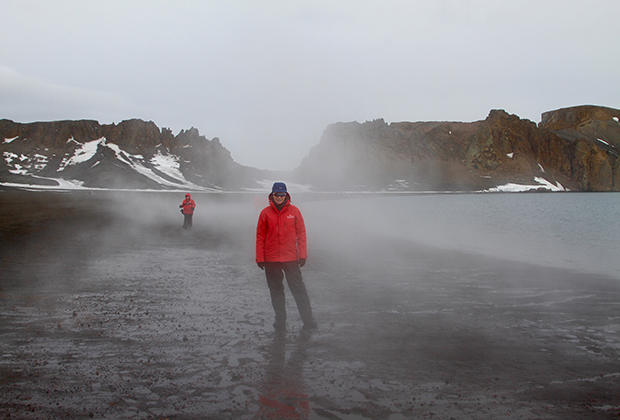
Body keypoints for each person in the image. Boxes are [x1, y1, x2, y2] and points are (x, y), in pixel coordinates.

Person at [256, 182, 317, 330]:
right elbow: (260, 236)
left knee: (299, 289)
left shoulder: (295, 211)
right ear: (272, 195)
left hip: (291, 259)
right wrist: (260, 258)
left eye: (282, 194)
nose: (279, 197)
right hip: (271, 260)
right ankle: (280, 321)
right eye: (276, 194)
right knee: (276, 290)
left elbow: (301, 234)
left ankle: (308, 320)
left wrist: (302, 255)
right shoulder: (265, 213)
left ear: (286, 195)